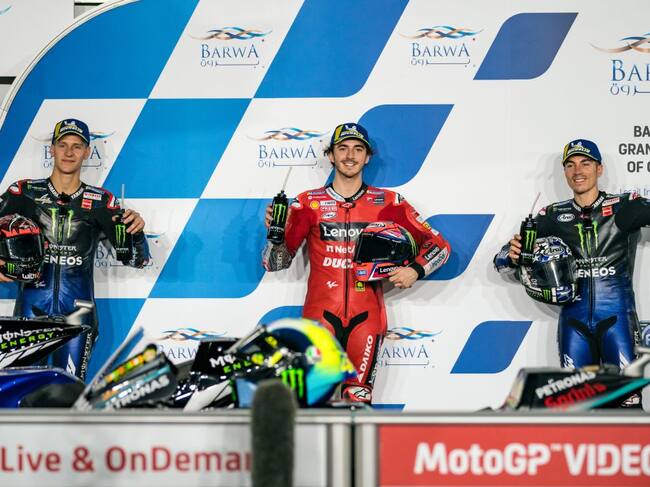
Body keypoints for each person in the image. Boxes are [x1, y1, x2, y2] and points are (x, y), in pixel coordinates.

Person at [262, 122, 451, 403]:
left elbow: (440, 246)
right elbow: (275, 264)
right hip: (319, 318)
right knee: (312, 401)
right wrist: (275, 235)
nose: (350, 155)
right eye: (343, 148)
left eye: (358, 149)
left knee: (358, 402)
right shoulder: (307, 203)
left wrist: (415, 270)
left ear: (367, 157)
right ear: (330, 155)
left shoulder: (388, 202)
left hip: (367, 318)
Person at [0, 118, 149, 381]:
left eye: (77, 146)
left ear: (87, 152)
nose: (69, 152)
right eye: (63, 145)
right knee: (21, 392)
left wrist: (136, 231)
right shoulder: (24, 192)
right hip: (31, 310)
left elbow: (137, 260)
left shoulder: (102, 201)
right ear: (52, 149)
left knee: (68, 392)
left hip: (78, 313)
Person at [494, 139, 650, 369]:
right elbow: (501, 260)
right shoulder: (552, 215)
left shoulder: (625, 206)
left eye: (585, 163)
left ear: (599, 169)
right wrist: (512, 255)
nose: (578, 171)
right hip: (573, 324)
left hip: (618, 322)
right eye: (570, 165)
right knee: (574, 393)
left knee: (626, 392)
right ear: (565, 172)